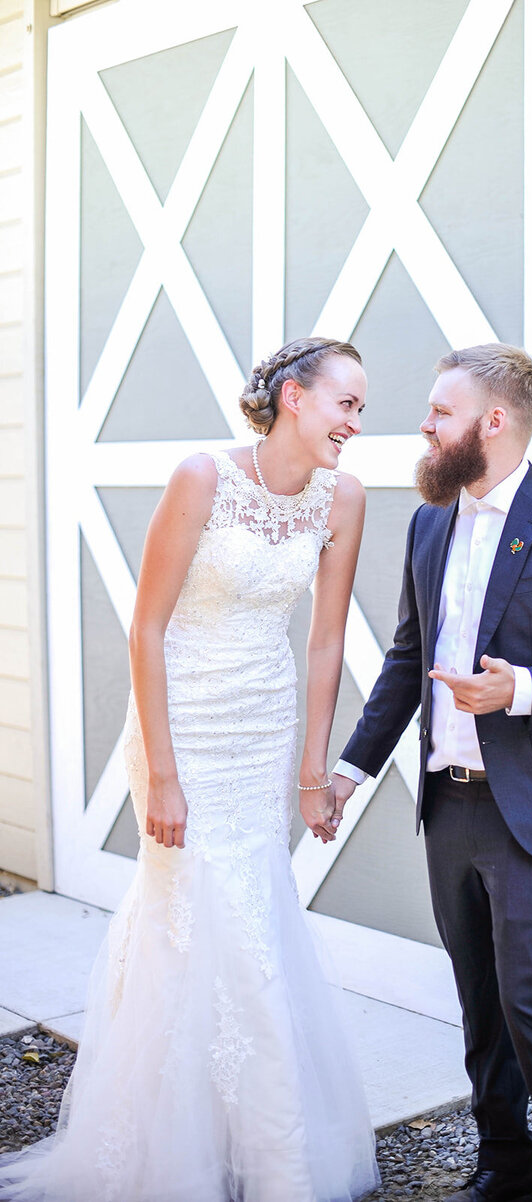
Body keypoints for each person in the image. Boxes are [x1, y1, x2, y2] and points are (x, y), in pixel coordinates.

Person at [0, 337, 380, 1202]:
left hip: (262, 724)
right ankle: (265, 1160)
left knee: (240, 910)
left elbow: (324, 641)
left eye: (360, 408)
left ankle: (219, 1127)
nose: (357, 423)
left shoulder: (342, 499)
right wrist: (163, 775)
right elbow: (147, 628)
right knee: (208, 910)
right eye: (346, 403)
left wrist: (314, 771)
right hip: (181, 729)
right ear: (293, 397)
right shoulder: (202, 477)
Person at [331, 344, 532, 1202]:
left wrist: (526, 689)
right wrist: (351, 769)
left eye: (441, 412)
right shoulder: (431, 521)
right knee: (481, 1003)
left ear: (494, 422)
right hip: (452, 802)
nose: (425, 427)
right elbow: (410, 658)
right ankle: (505, 1172)